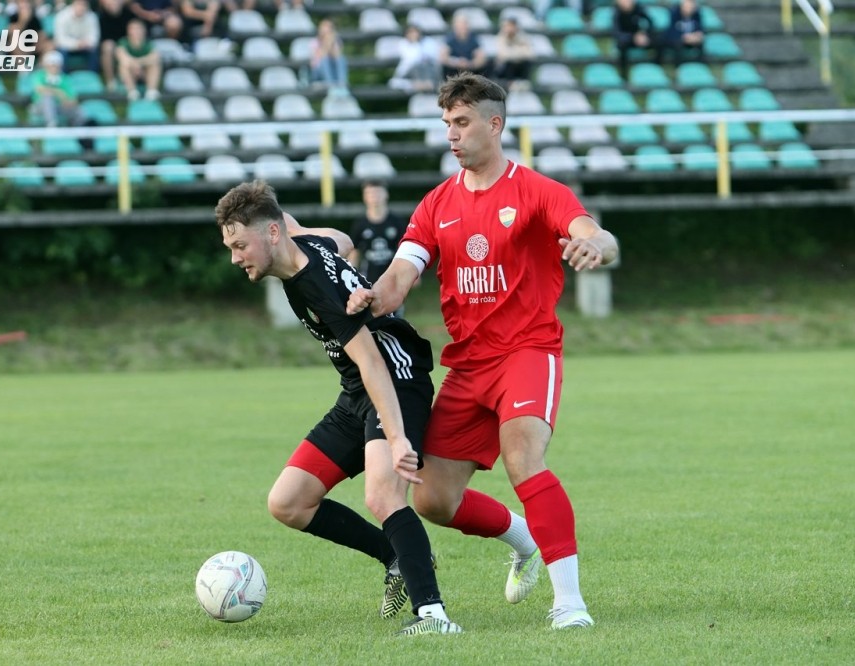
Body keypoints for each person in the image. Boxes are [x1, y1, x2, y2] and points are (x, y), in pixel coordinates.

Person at [347, 73, 620, 630]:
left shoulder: (538, 191)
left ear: (494, 125)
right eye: (447, 123)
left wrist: (595, 245)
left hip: (528, 351)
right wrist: (371, 296)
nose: (452, 133)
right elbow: (401, 276)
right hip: (468, 364)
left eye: (462, 122)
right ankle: (524, 541)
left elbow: (597, 234)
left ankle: (570, 604)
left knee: (523, 457)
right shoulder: (436, 204)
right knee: (432, 500)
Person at [215, 180, 462, 637]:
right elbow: (344, 241)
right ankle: (395, 557)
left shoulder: (316, 288)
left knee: (383, 495)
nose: (235, 258)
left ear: (271, 234)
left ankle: (433, 616)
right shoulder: (303, 241)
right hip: (356, 391)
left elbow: (372, 362)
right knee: (288, 502)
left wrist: (397, 437)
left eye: (240, 245)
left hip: (396, 380)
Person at [348, 180, 408, 317]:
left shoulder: (397, 222)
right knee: (371, 316)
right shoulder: (360, 224)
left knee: (394, 317)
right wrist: (350, 273)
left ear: (386, 195)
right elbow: (354, 251)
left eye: (377, 192)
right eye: (370, 193)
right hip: (369, 277)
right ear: (364, 197)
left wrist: (411, 273)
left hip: (392, 276)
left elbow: (406, 248)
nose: (374, 196)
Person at [28, 50, 84, 127]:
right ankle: (52, 124)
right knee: (47, 98)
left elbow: (73, 99)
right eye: (51, 65)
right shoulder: (39, 75)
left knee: (77, 110)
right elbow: (39, 89)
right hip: (39, 107)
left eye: (56, 65)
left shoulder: (65, 79)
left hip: (59, 107)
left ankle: (81, 128)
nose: (54, 67)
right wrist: (59, 92)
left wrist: (66, 102)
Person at [116, 19, 163, 100]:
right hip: (130, 73)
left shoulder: (148, 43)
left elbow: (155, 57)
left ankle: (151, 91)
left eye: (138, 28)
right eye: (133, 28)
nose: (136, 31)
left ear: (144, 30)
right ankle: (132, 92)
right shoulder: (123, 42)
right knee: (124, 65)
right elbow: (122, 57)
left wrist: (138, 63)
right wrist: (136, 65)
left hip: (144, 73)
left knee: (155, 64)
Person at [613, 0, 661, 78]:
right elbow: (617, 33)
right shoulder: (617, 13)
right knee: (622, 46)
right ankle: (624, 75)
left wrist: (645, 34)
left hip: (641, 37)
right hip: (628, 39)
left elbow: (650, 22)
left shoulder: (638, 9)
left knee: (659, 42)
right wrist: (632, 37)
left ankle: (656, 68)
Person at [388, 24, 441, 93]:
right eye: (410, 32)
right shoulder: (403, 44)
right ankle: (419, 85)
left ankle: (428, 85)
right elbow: (411, 60)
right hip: (411, 74)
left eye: (415, 32)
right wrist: (415, 43)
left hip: (428, 72)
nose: (413, 35)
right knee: (394, 83)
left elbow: (432, 59)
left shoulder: (429, 42)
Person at [53, 0, 101, 72]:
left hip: (85, 46)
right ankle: (63, 76)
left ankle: (92, 75)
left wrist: (87, 43)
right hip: (68, 47)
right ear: (73, 4)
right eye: (78, 4)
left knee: (94, 51)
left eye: (83, 5)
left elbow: (95, 37)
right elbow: (60, 39)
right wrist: (77, 44)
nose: (81, 7)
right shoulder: (61, 16)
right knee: (61, 51)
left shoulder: (92, 17)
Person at [440, 13, 488, 80]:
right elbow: (443, 57)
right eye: (459, 25)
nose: (462, 27)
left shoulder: (474, 39)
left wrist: (469, 64)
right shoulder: (449, 39)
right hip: (453, 71)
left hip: (471, 70)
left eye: (464, 24)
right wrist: (456, 63)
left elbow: (481, 58)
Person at [492, 17, 534, 92]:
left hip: (519, 67)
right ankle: (511, 84)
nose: (510, 29)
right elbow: (504, 55)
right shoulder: (501, 37)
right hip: (504, 70)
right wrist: (519, 51)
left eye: (511, 26)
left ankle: (524, 83)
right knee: (508, 63)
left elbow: (530, 54)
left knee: (527, 63)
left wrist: (512, 52)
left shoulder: (522, 37)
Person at [98, 0, 132, 91]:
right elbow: (103, 38)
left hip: (125, 44)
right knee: (107, 47)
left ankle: (127, 81)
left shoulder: (128, 14)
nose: (113, 5)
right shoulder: (101, 17)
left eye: (115, 2)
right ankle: (111, 81)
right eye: (110, 3)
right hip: (111, 45)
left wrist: (122, 45)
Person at [309, 18, 349, 90]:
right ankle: (331, 85)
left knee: (341, 58)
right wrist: (327, 43)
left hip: (333, 69)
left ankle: (342, 84)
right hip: (318, 72)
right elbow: (319, 58)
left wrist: (332, 42)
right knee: (325, 60)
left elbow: (337, 56)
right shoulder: (314, 42)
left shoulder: (336, 41)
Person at [663, 0, 705, 65]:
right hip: (678, 39)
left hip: (691, 38)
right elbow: (672, 31)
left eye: (691, 7)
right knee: (677, 44)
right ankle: (679, 65)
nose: (689, 9)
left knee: (700, 42)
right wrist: (684, 37)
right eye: (687, 7)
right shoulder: (675, 14)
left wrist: (697, 36)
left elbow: (700, 28)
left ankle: (699, 64)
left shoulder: (696, 15)